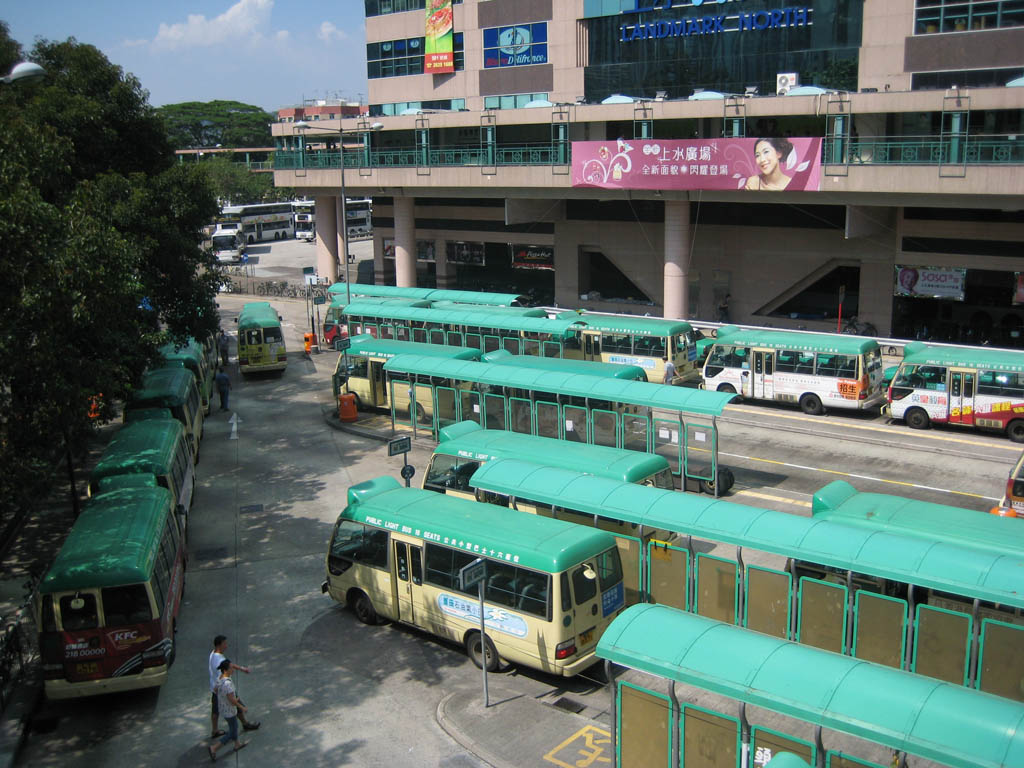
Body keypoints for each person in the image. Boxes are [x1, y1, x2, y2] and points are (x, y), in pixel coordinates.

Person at [209, 635, 259, 739]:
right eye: (225, 644)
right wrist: (227, 685)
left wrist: (242, 668)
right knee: (236, 704)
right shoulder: (219, 660)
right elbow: (225, 672)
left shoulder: (213, 654)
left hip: (215, 688)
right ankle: (245, 724)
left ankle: (214, 731)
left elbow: (229, 664)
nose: (226, 646)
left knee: (215, 710)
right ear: (219, 645)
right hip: (224, 689)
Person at [209, 660, 248, 761]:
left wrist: (223, 697)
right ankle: (214, 748)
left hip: (223, 708)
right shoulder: (227, 684)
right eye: (231, 667)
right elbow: (232, 700)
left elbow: (216, 690)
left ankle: (237, 744)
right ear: (226, 670)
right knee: (232, 731)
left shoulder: (220, 678)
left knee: (233, 727)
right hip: (229, 711)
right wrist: (242, 707)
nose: (233, 669)